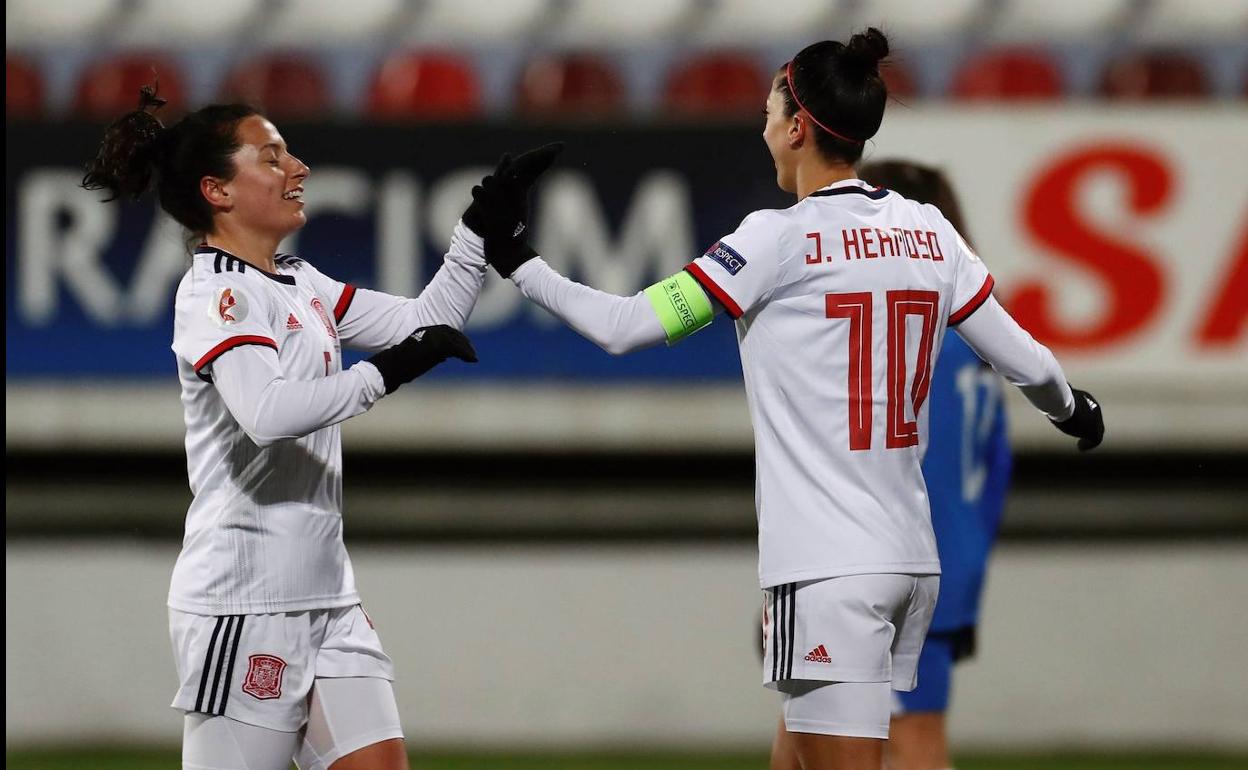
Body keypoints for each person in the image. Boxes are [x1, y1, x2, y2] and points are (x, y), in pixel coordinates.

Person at [465, 29, 1104, 770]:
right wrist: (1073, 410)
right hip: (909, 562)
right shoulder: (929, 231)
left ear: (798, 127)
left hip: (828, 567)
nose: (763, 125)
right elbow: (1023, 357)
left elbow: (623, 326)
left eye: (769, 108)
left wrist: (515, 257)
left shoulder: (774, 241)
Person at [82, 87, 559, 770]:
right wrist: (383, 375)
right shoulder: (217, 293)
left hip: (329, 596)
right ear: (217, 190)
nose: (298, 167)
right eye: (272, 157)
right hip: (244, 607)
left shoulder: (296, 280)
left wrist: (475, 231)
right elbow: (266, 414)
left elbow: (426, 320)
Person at [858, 160, 1013, 770]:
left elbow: (894, 462)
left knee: (908, 746)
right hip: (950, 567)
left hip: (897, 573)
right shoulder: (975, 344)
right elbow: (997, 466)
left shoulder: (921, 344)